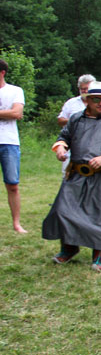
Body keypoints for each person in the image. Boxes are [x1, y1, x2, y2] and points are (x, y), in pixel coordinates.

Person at [42, 81, 101, 271]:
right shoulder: (76, 119)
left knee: (98, 216)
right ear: (88, 101)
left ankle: (100, 253)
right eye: (97, 100)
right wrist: (61, 148)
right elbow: (64, 136)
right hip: (75, 175)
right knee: (63, 209)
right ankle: (69, 247)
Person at [0, 59, 27, 234]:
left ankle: (16, 223)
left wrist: (12, 113)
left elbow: (17, 113)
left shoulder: (15, 91)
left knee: (12, 185)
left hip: (9, 141)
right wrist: (6, 113)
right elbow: (11, 113)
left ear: (2, 72)